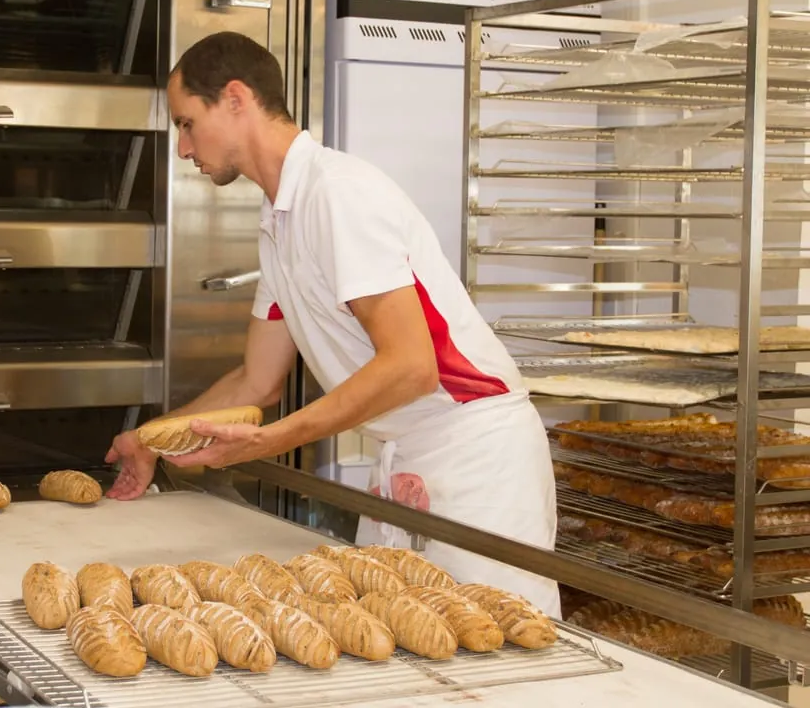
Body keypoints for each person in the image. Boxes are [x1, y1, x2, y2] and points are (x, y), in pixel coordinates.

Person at [104, 30, 560, 616]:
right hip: (409, 452)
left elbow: (412, 368)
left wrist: (272, 441)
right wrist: (151, 440)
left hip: (477, 460)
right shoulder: (280, 219)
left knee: (506, 662)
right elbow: (256, 381)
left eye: (188, 123)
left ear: (236, 99)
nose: (184, 148)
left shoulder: (337, 195)